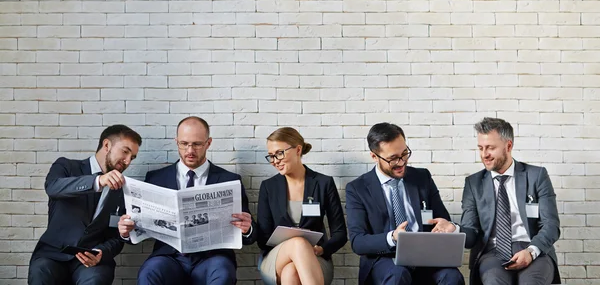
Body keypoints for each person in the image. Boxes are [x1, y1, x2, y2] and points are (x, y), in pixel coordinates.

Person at [118, 116, 257, 285]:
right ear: (176, 142)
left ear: (208, 143)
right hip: (169, 258)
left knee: (222, 272)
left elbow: (250, 236)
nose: (190, 150)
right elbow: (139, 226)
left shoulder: (229, 180)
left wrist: (247, 228)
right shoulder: (156, 178)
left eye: (197, 144)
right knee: (149, 273)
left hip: (212, 259)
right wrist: (126, 231)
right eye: (184, 143)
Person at [345, 122, 465, 285]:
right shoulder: (357, 189)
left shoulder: (422, 177)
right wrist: (392, 238)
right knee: (398, 274)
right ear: (374, 156)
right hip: (385, 259)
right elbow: (358, 242)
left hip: (425, 257)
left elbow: (442, 219)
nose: (401, 162)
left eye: (405, 153)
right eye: (393, 158)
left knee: (452, 276)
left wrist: (445, 225)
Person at [28, 124, 142, 285]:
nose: (128, 161)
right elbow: (53, 187)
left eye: (133, 157)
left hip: (92, 260)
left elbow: (116, 237)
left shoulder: (124, 191)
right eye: (125, 151)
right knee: (40, 275)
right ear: (107, 145)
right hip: (52, 254)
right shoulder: (66, 166)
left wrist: (102, 252)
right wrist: (97, 181)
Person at [458, 117, 560, 284]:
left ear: (509, 146)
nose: (484, 154)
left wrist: (531, 251)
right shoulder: (473, 184)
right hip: (492, 252)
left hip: (533, 248)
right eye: (481, 148)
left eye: (490, 148)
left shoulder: (536, 176)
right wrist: (454, 229)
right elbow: (470, 234)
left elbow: (551, 225)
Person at [257, 127, 347, 285]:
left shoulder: (323, 183)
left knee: (291, 273)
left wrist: (322, 249)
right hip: (277, 257)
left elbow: (340, 233)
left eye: (279, 153)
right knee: (298, 243)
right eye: (271, 156)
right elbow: (263, 239)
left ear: (298, 150)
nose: (275, 160)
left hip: (315, 257)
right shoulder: (268, 187)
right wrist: (290, 242)